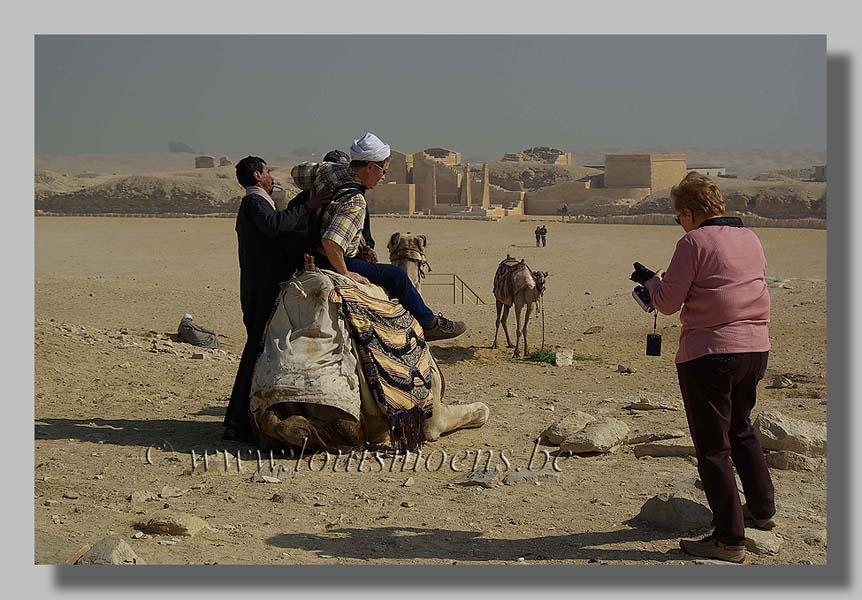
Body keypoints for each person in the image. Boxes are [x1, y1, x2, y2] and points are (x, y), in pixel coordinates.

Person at [644, 172, 775, 563]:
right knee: (742, 430)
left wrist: (651, 283)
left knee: (712, 447)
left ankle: (728, 539)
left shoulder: (693, 241)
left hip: (711, 353)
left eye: (678, 216)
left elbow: (667, 303)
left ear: (689, 212)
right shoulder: (750, 237)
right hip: (754, 348)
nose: (679, 223)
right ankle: (762, 510)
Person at [290, 132, 466, 341]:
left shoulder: (329, 170)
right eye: (383, 171)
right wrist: (346, 272)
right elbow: (331, 242)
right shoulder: (355, 202)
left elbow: (297, 173)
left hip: (304, 252)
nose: (384, 177)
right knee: (397, 276)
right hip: (329, 259)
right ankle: (430, 324)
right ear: (370, 167)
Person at [223, 156, 328, 442]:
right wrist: (308, 207)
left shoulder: (260, 202)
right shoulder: (254, 202)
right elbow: (274, 226)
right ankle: (237, 422)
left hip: (264, 287)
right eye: (267, 172)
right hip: (261, 289)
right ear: (258, 175)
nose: (271, 177)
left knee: (263, 350)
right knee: (255, 350)